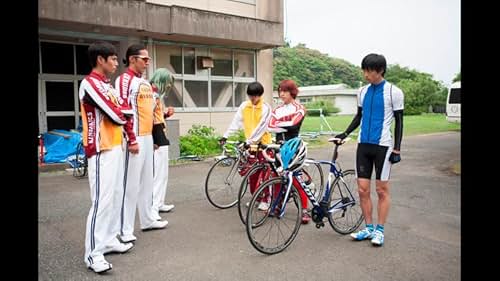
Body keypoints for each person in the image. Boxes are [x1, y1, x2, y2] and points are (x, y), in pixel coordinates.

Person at [334, 53, 404, 246]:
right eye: (364, 70)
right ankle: (369, 227)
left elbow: (399, 121)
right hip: (363, 146)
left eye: (369, 70)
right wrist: (345, 133)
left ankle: (380, 231)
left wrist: (397, 149)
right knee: (362, 190)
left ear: (380, 70)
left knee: (381, 190)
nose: (365, 74)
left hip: (383, 146)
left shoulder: (393, 92)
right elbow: (358, 117)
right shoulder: (362, 91)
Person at [80, 42, 133, 273]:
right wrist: (123, 114)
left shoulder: (107, 84)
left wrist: (123, 114)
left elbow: (123, 109)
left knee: (115, 196)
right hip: (100, 149)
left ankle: (109, 239)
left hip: (115, 145)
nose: (115, 63)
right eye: (112, 58)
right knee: (101, 201)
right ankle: (93, 254)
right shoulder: (89, 83)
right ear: (100, 60)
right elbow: (116, 114)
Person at [115, 44, 168, 244]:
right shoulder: (124, 80)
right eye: (144, 59)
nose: (147, 63)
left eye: (148, 60)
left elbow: (152, 112)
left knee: (147, 181)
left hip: (147, 137)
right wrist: (130, 139)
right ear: (132, 59)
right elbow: (123, 110)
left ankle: (147, 219)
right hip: (134, 137)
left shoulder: (144, 82)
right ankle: (125, 229)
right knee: (131, 184)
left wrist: (155, 137)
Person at [219, 81, 272, 210]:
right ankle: (256, 197)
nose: (253, 99)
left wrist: (249, 142)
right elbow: (235, 122)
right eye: (251, 96)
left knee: (264, 174)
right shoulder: (244, 106)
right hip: (250, 147)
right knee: (252, 174)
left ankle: (266, 199)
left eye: (255, 96)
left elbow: (261, 128)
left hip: (263, 145)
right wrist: (226, 135)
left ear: (260, 95)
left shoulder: (266, 108)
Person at [268, 79, 311, 224]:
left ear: (292, 92)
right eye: (280, 91)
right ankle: (277, 204)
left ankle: (305, 209)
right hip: (279, 147)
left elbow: (293, 125)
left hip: (293, 147)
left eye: (285, 91)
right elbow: (270, 125)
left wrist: (279, 124)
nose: (282, 94)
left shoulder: (299, 107)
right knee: (276, 177)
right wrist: (283, 123)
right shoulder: (277, 109)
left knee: (296, 179)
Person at [150, 68, 176, 220]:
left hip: (160, 132)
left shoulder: (156, 95)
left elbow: (156, 115)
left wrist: (166, 113)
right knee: (157, 174)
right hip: (156, 135)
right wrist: (153, 140)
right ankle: (153, 208)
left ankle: (159, 203)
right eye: (167, 83)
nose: (168, 87)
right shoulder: (151, 94)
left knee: (163, 173)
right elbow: (147, 118)